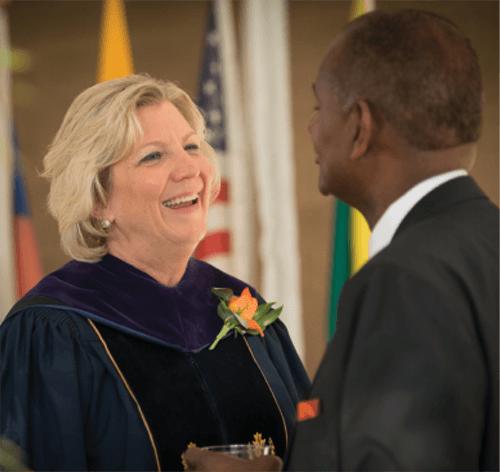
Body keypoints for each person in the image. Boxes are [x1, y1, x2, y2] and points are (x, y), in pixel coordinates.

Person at [184, 8, 499, 471]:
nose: (312, 128)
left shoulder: (403, 281)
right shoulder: (483, 241)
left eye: (318, 107)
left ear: (359, 126)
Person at [0, 74, 310, 471]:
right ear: (97, 198)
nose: (189, 169)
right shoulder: (55, 331)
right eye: (153, 156)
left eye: (191, 147)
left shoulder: (240, 306)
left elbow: (314, 450)